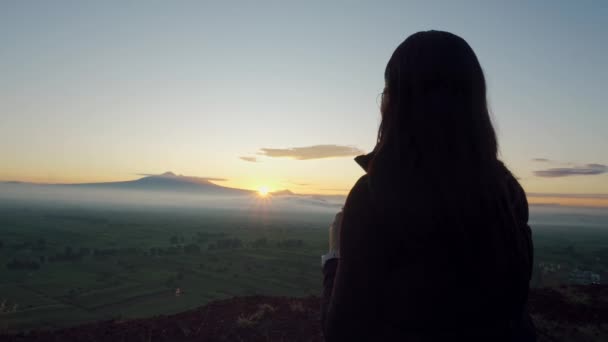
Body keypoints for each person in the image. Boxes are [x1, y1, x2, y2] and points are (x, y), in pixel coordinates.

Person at [321, 31, 536, 341]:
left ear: (395, 103)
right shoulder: (506, 191)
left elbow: (340, 332)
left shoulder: (373, 198)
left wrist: (335, 255)